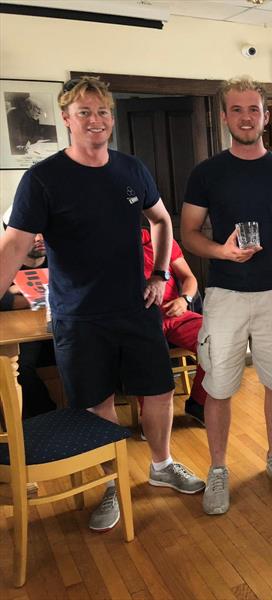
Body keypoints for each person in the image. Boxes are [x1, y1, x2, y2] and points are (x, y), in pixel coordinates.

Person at [0, 76, 205, 533]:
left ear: (111, 118)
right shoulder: (43, 179)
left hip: (136, 308)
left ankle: (162, 463)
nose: (96, 121)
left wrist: (160, 274)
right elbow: (13, 246)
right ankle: (111, 483)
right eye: (85, 113)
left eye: (103, 112)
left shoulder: (131, 169)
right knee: (97, 401)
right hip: (79, 315)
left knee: (157, 390)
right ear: (67, 120)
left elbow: (162, 220)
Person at [181, 76, 272, 516]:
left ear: (265, 116)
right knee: (219, 387)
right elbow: (187, 234)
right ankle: (218, 469)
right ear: (224, 117)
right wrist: (221, 250)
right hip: (224, 296)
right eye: (236, 110)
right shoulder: (207, 173)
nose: (245, 117)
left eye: (253, 109)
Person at [140, 228, 207, 424]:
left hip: (174, 313)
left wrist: (184, 299)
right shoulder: (107, 245)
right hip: (140, 321)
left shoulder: (160, 239)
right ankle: (151, 418)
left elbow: (189, 278)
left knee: (217, 340)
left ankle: (199, 403)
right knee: (145, 351)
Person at [0, 225, 57, 419]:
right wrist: (47, 294)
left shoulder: (58, 258)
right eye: (32, 234)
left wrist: (19, 293)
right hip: (24, 333)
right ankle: (48, 416)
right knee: (22, 368)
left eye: (43, 232)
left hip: (59, 326)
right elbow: (4, 301)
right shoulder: (6, 264)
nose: (39, 238)